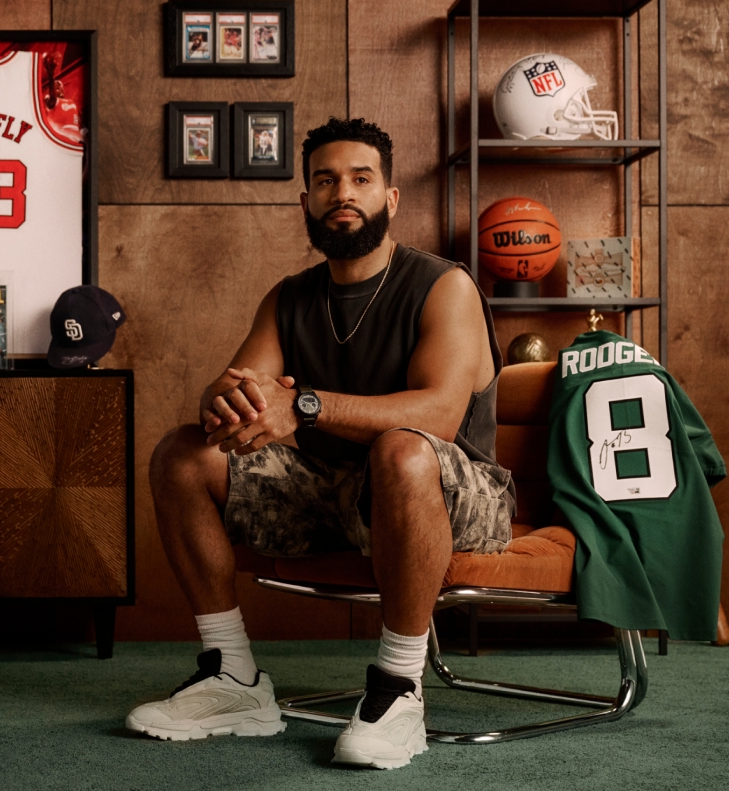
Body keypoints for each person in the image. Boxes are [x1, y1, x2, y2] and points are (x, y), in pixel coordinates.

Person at [127, 118, 513, 769]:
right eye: (327, 181)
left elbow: (439, 418)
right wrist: (225, 404)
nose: (344, 193)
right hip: (334, 494)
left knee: (402, 449)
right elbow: (242, 392)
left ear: (391, 198)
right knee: (183, 453)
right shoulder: (289, 298)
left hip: (452, 494)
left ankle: (399, 688)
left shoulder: (443, 285)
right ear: (306, 201)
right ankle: (233, 678)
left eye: (362, 178)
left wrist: (303, 404)